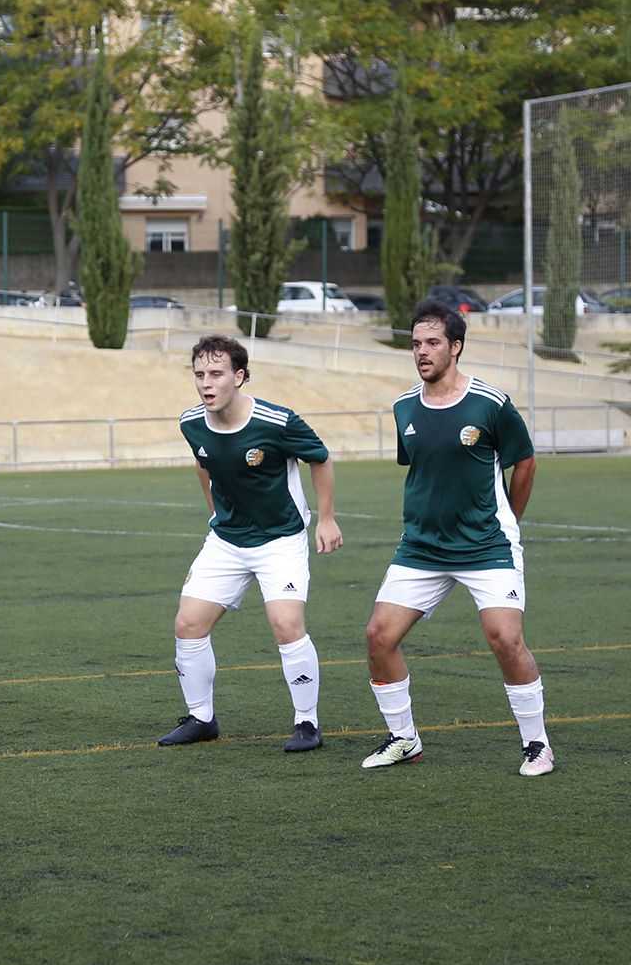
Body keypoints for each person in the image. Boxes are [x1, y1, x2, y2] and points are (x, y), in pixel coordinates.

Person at [360, 298, 553, 777]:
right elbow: (421, 468)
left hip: (486, 545)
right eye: (416, 344)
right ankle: (404, 739)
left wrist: (510, 516)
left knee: (505, 639)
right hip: (421, 547)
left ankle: (538, 745)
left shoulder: (490, 403)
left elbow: (524, 460)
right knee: (378, 637)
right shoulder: (404, 405)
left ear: (456, 347)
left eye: (432, 343)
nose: (422, 352)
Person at [158, 334, 341, 754]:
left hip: (280, 540)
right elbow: (204, 463)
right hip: (226, 540)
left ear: (238, 377)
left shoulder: (277, 422)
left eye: (216, 374)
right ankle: (201, 718)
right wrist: (214, 513)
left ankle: (307, 722)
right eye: (200, 374)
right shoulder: (191, 423)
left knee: (286, 624)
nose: (206, 383)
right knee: (188, 624)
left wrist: (326, 518)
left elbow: (321, 457)